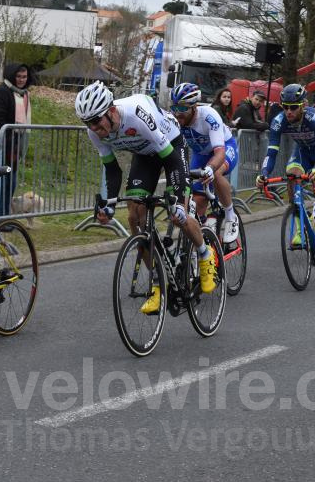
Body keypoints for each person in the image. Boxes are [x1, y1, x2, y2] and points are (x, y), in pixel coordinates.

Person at [75, 81, 217, 314]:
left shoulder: (136, 115)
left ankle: (204, 253)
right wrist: (109, 205)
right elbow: (112, 170)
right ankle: (158, 284)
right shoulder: (94, 132)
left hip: (171, 147)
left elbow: (170, 160)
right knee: (135, 218)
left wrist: (177, 198)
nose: (93, 128)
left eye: (96, 121)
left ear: (111, 111)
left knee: (178, 215)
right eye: (87, 123)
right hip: (144, 155)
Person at [256, 84, 315, 263]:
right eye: (285, 107)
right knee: (292, 175)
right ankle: (299, 229)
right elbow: (271, 153)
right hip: (302, 152)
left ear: (303, 105)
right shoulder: (279, 121)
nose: (289, 111)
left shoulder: (314, 117)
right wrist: (264, 173)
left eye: (293, 107)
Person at [169, 82, 240, 243]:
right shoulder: (173, 120)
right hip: (200, 154)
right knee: (197, 200)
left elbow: (219, 153)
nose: (177, 113)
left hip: (224, 147)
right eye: (175, 108)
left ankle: (231, 216)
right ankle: (202, 235)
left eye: (182, 108)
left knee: (215, 173)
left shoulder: (208, 116)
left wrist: (210, 167)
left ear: (194, 107)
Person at [0, 62, 33, 217]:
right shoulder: (1, 93)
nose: (21, 80)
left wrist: (17, 144)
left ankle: (4, 216)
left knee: (10, 184)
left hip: (14, 145)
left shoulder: (24, 94)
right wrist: (8, 137)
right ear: (12, 76)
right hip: (0, 145)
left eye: (24, 77)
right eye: (18, 76)